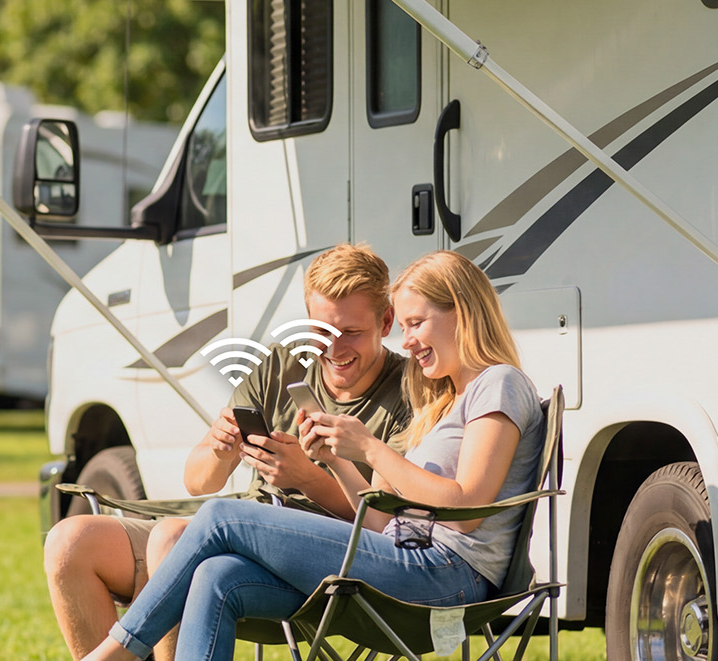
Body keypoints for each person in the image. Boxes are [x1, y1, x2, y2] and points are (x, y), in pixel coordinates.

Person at [80, 251, 546, 661]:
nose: (406, 342)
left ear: (461, 313)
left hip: (444, 575)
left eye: (416, 323)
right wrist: (340, 458)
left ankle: (117, 651)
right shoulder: (444, 401)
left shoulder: (498, 382)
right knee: (216, 576)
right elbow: (380, 520)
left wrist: (369, 447)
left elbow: (464, 512)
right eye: (404, 327)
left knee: (222, 516)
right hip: (400, 556)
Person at [44, 243, 412, 661]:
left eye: (351, 332)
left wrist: (306, 478)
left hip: (321, 565)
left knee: (171, 536)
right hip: (231, 534)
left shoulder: (406, 393)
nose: (334, 349)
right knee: (69, 541)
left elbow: (387, 526)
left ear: (386, 321)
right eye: (321, 331)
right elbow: (199, 481)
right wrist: (220, 449)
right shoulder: (282, 365)